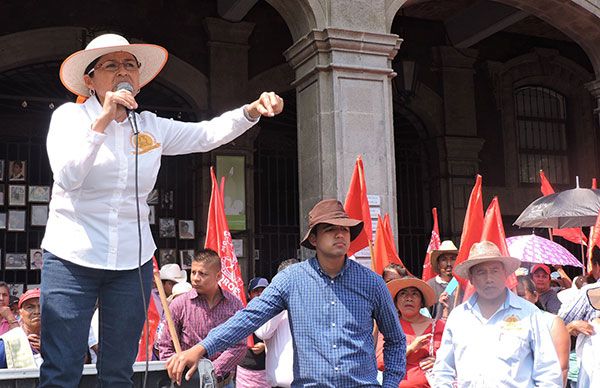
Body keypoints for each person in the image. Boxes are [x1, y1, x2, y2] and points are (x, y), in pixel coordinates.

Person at [39, 32, 283, 387]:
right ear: (89, 80)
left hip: (130, 262)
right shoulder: (69, 118)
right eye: (111, 65)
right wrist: (103, 121)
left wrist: (250, 112)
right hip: (72, 257)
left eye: (129, 65)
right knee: (62, 367)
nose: (122, 71)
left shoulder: (151, 125)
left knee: (119, 370)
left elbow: (205, 135)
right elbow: (68, 176)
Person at [166, 199, 407, 387]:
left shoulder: (372, 283)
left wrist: (390, 383)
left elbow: (396, 340)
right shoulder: (292, 280)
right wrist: (201, 348)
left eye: (344, 229)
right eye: (330, 229)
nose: (340, 234)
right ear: (313, 238)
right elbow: (247, 318)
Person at [432, 241, 562, 387]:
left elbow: (548, 373)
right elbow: (442, 371)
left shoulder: (529, 314)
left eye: (495, 270)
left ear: (505, 274)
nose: (489, 279)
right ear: (471, 278)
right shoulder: (458, 318)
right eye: (481, 272)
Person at [157, 249, 245, 386]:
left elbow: (239, 346)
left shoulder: (234, 305)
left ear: (218, 276)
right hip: (186, 382)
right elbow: (164, 345)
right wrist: (178, 367)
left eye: (202, 274)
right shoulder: (179, 304)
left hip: (222, 382)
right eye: (193, 272)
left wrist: (211, 371)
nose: (195, 278)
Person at [377, 277, 445, 387]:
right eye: (403, 294)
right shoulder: (389, 328)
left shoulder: (439, 326)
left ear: (422, 302)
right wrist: (411, 348)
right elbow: (381, 363)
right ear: (396, 301)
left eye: (414, 294)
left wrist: (439, 362)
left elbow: (455, 358)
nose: (409, 298)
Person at [516, 275, 570, 385]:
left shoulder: (552, 322)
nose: (516, 300)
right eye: (511, 295)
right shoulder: (505, 323)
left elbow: (561, 369)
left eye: (521, 295)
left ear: (535, 296)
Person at [255, 259, 299, 388]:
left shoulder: (311, 303)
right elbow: (262, 332)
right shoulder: (270, 306)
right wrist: (282, 303)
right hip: (280, 384)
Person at [236, 277, 270, 388]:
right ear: (249, 294)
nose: (260, 294)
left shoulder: (276, 313)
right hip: (245, 371)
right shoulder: (241, 312)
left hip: (266, 370)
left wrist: (265, 345)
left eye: (263, 290)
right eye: (256, 291)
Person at [0, 288, 42, 368]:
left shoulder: (57, 341)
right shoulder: (7, 343)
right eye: (30, 307)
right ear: (20, 312)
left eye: (41, 306)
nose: (37, 311)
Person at [426, 240, 460, 320]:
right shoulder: (429, 286)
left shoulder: (463, 284)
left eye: (452, 259)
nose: (449, 264)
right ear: (438, 264)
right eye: (444, 260)